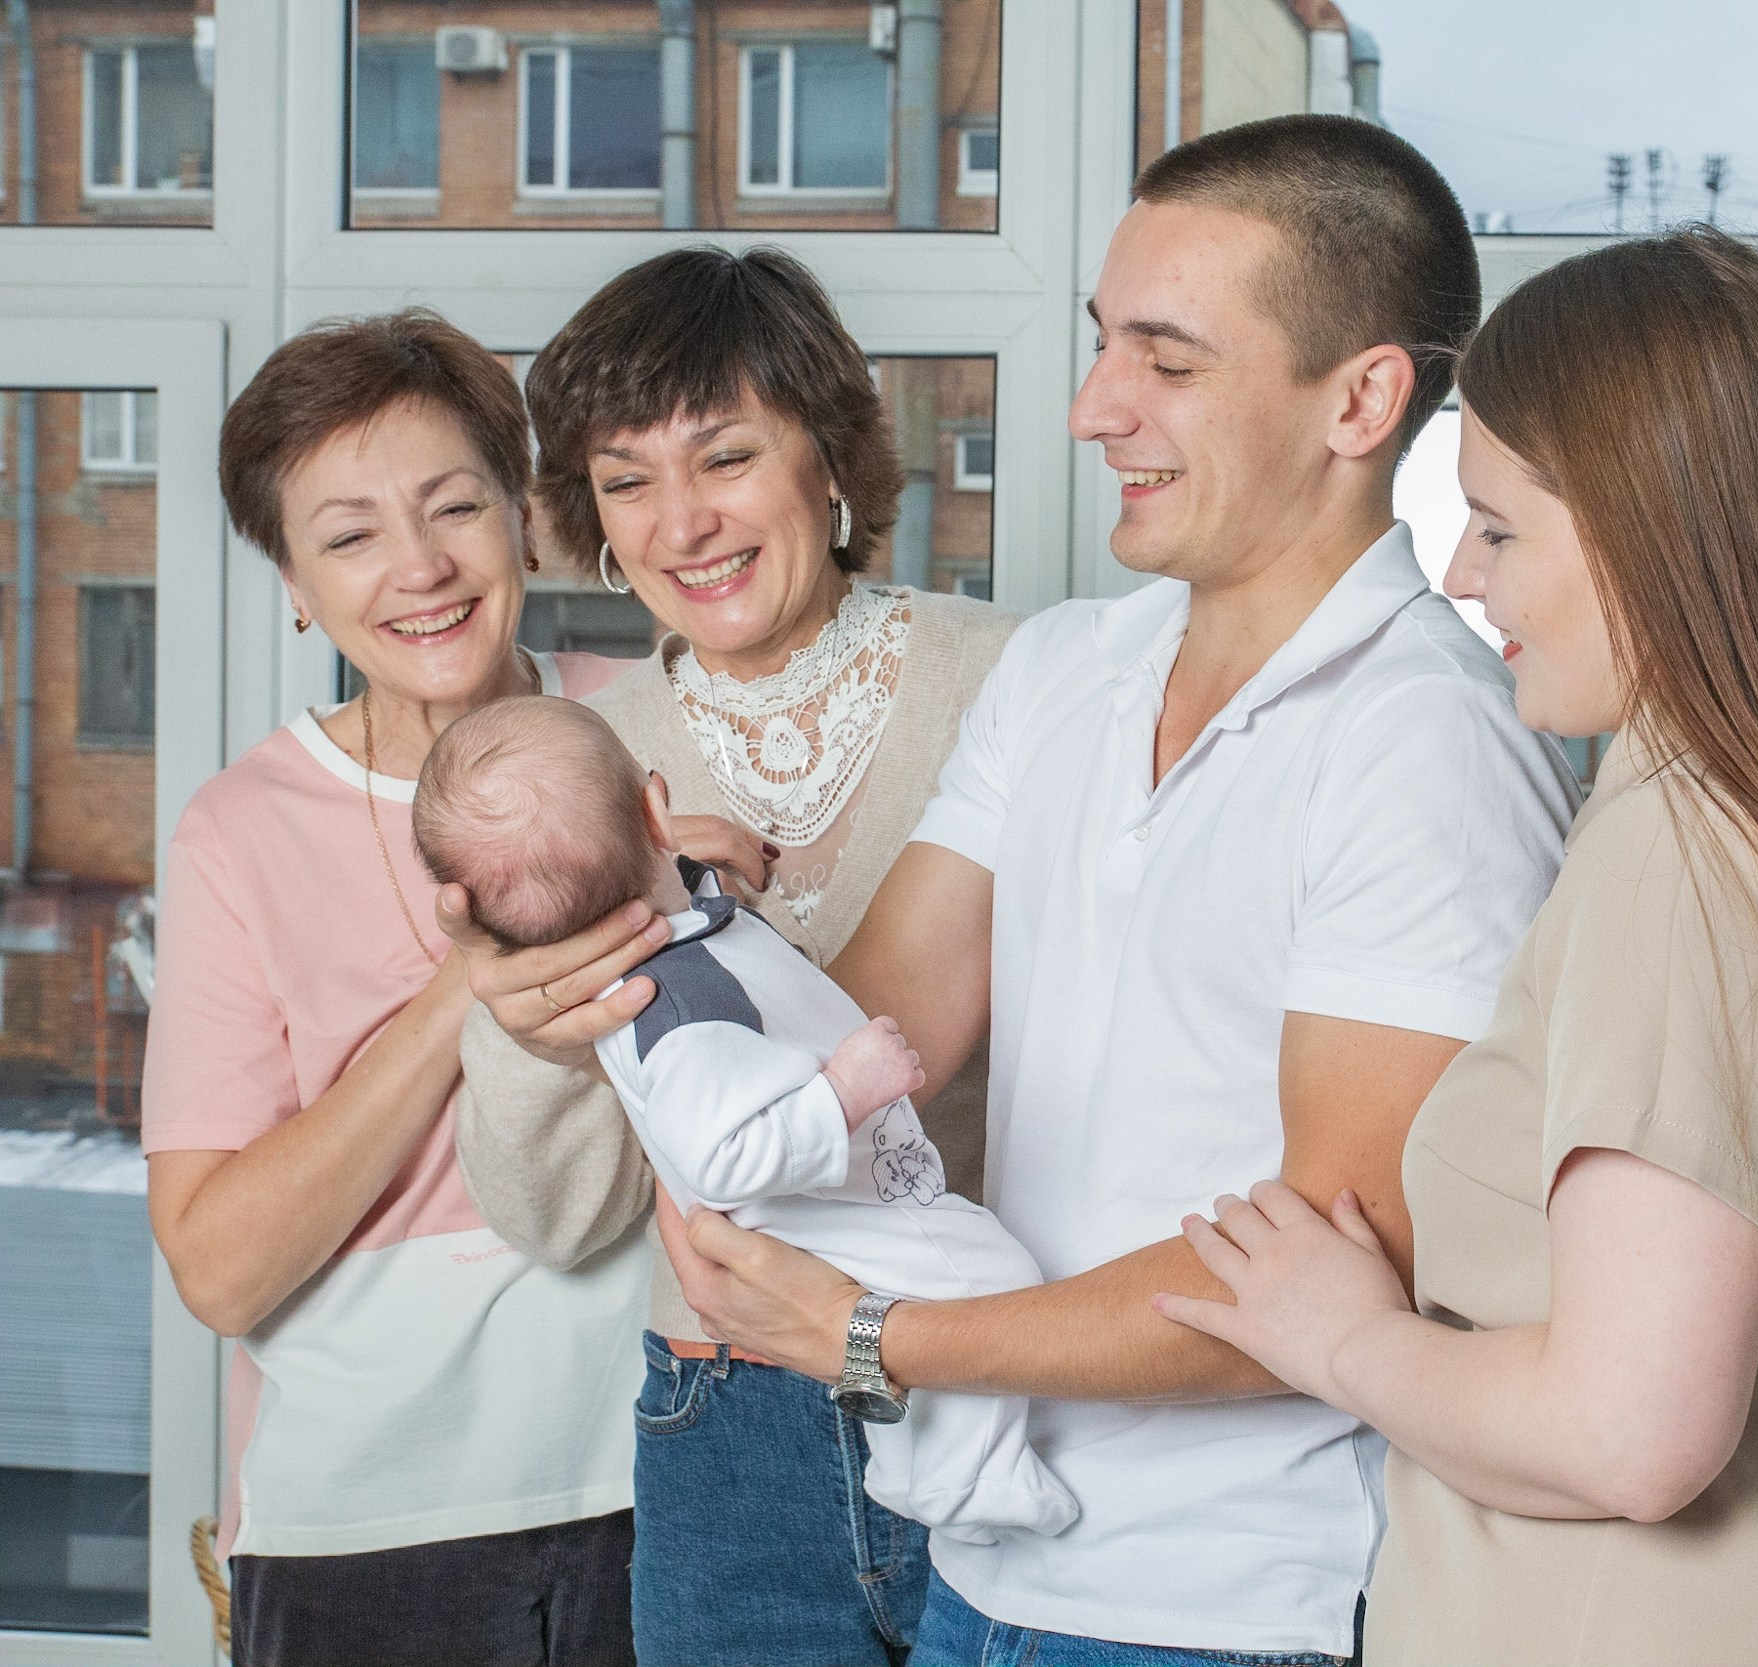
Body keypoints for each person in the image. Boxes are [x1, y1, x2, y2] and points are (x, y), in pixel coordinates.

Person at [651, 115, 1583, 1666]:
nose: (1095, 408)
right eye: (1102, 345)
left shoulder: (1424, 740)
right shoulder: (1069, 667)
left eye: (1167, 358)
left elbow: (1336, 1258)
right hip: (993, 1568)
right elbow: (872, 1039)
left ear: (1362, 396)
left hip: (1235, 1609)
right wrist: (639, 932)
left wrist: (882, 1336)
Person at [1152, 230, 1758, 1667]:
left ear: (1657, 526)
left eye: (1502, 526)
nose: (1461, 573)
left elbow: (1629, 1433)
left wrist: (1338, 1335)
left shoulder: (1689, 853)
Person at [445, 245, 1017, 1666]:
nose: (681, 520)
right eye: (626, 478)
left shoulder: (1024, 680)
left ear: (829, 456)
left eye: (724, 455)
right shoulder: (564, 774)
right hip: (725, 1413)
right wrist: (526, 1035)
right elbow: (559, 1218)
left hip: (1001, 1362)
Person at [138, 312, 648, 1667]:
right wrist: (456, 994)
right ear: (295, 581)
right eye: (350, 533)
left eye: (453, 506)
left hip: (672, 1482)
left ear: (527, 520)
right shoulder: (242, 826)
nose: (419, 568)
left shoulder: (653, 737)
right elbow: (218, 1262)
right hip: (367, 1535)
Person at [415, 695, 1076, 1542]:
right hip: (816, 1223)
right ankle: (964, 1489)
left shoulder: (683, 933)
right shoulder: (682, 1004)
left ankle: (924, 1468)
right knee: (1000, 1284)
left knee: (960, 1309)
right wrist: (845, 1089)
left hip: (850, 1198)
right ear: (659, 806)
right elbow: (722, 1158)